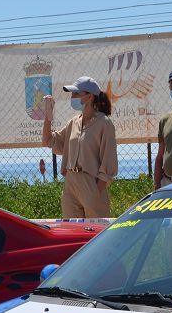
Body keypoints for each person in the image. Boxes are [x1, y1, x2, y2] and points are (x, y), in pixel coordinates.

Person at [42, 77, 118, 218]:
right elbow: (49, 141)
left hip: (91, 182)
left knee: (95, 235)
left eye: (76, 94)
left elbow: (109, 163)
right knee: (73, 232)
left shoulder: (104, 124)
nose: (72, 97)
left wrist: (97, 191)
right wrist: (48, 115)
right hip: (70, 183)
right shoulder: (73, 122)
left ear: (90, 96)